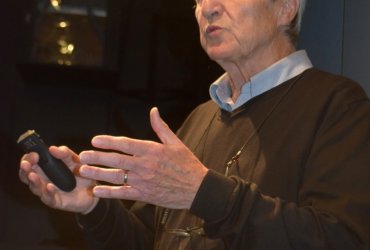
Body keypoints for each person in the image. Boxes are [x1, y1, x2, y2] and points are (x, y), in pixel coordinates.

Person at [19, 0, 370, 249]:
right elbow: (149, 241)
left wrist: (203, 192)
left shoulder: (338, 105)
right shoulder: (200, 118)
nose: (208, 8)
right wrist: (92, 205)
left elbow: (343, 240)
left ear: (286, 7)